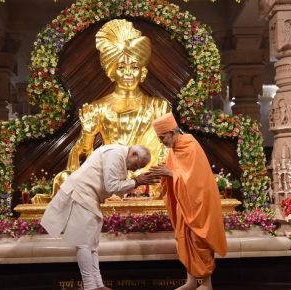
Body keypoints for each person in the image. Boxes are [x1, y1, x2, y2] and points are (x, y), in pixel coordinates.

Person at [46, 19, 171, 200]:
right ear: (112, 72)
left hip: (149, 177)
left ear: (143, 72)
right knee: (66, 178)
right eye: (121, 67)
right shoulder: (97, 108)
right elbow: (83, 159)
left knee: (172, 178)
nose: (128, 73)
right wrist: (88, 134)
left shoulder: (160, 106)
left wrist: (150, 172)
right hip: (110, 176)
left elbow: (167, 147)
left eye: (134, 67)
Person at [40, 144, 158, 290]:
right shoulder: (115, 154)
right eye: (137, 165)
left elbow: (119, 190)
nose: (135, 170)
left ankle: (98, 285)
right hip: (81, 194)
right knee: (83, 243)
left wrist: (135, 182)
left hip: (90, 198)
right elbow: (112, 187)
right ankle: (90, 286)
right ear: (133, 154)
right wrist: (137, 181)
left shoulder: (121, 157)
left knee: (92, 245)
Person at [149, 113, 227, 290]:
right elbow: (174, 174)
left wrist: (170, 174)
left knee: (199, 240)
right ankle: (191, 282)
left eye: (163, 137)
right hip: (183, 204)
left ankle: (207, 283)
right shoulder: (174, 150)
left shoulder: (190, 146)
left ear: (172, 132)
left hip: (198, 203)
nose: (162, 142)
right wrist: (163, 175)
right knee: (184, 240)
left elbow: (196, 181)